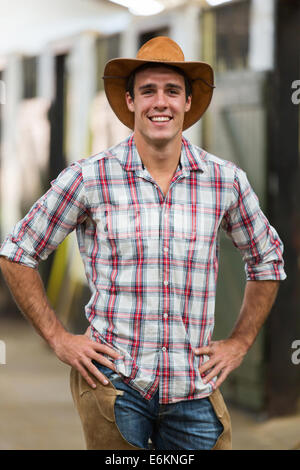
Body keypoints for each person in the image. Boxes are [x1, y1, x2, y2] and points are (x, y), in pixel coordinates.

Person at [0, 36, 286, 451]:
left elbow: (268, 260)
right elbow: (17, 251)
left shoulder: (225, 180)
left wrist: (240, 342)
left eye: (172, 91)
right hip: (114, 385)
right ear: (130, 101)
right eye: (148, 90)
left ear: (188, 102)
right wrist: (59, 338)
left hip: (194, 386)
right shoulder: (89, 178)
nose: (160, 102)